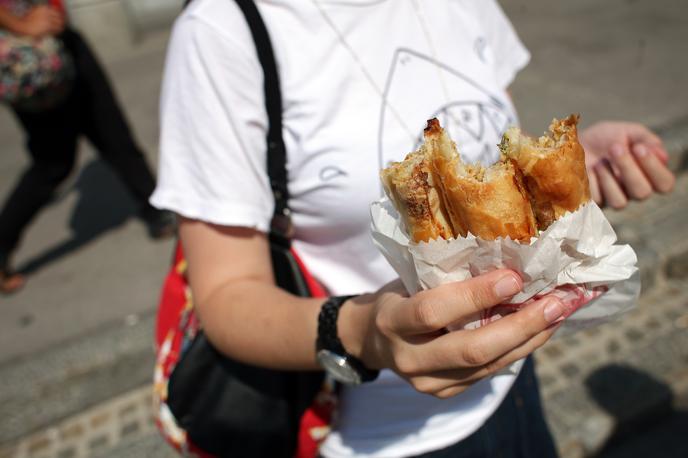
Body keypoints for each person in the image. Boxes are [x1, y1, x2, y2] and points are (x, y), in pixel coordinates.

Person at [151, 0, 675, 456]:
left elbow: (491, 149)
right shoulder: (222, 30)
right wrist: (364, 332)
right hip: (374, 435)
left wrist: (564, 181)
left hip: (514, 386)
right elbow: (224, 296)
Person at [0, 0, 177, 294]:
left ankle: (156, 209)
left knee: (113, 134)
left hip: (61, 42)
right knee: (53, 163)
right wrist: (21, 24)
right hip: (30, 60)